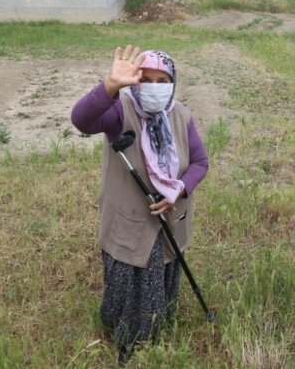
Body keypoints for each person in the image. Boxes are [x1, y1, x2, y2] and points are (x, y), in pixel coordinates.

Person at [71, 46, 209, 366]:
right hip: (129, 217)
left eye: (163, 80)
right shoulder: (120, 109)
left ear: (173, 83)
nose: (154, 86)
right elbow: (81, 120)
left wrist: (179, 190)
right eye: (146, 79)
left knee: (163, 268)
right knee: (132, 273)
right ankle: (129, 341)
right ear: (134, 81)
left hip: (169, 216)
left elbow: (200, 162)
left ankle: (156, 328)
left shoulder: (181, 116)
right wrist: (110, 86)